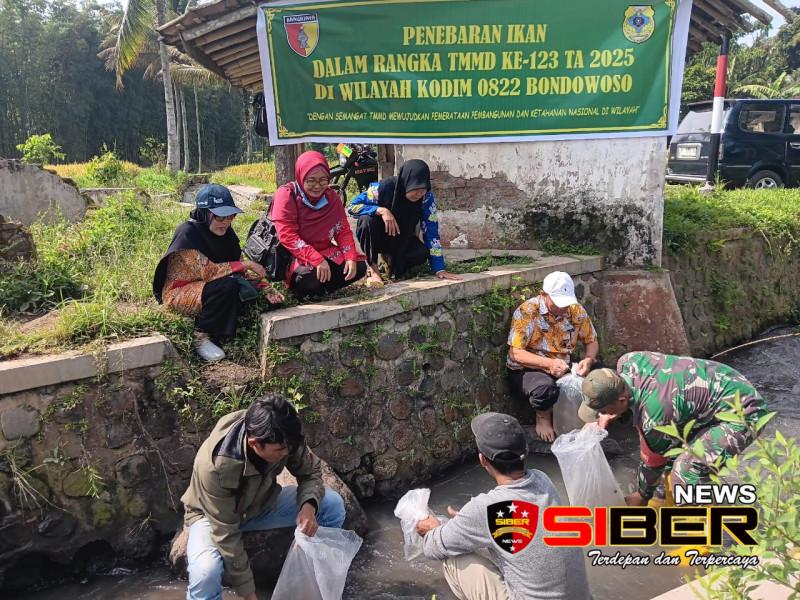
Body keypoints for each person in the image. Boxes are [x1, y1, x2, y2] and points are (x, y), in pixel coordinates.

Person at [181, 394, 347, 600]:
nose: (286, 453)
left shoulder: (283, 432)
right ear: (254, 444)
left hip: (260, 504)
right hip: (211, 516)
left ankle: (315, 585)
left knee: (332, 505)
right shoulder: (215, 466)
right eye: (280, 450)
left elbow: (310, 472)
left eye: (289, 447)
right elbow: (226, 532)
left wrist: (309, 506)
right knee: (205, 574)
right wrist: (249, 594)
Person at [415, 412, 591, 600]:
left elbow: (433, 548)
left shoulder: (484, 508)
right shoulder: (543, 480)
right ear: (526, 451)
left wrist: (434, 528)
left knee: (453, 560)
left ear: (482, 460)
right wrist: (470, 523)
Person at [578, 351, 769, 505]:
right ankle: (666, 501)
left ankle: (700, 532)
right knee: (670, 459)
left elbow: (653, 461)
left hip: (743, 411)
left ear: (621, 400)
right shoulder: (628, 361)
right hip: (716, 389)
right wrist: (608, 415)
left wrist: (642, 495)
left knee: (687, 470)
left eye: (603, 411)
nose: (601, 415)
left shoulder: (654, 416)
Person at [153, 184, 283, 362]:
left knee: (237, 284)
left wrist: (265, 287)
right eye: (220, 216)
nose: (226, 222)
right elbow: (209, 272)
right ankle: (201, 336)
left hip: (209, 288)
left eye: (231, 216)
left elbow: (238, 267)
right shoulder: (187, 233)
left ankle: (221, 334)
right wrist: (246, 264)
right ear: (204, 213)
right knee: (228, 285)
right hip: (180, 292)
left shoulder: (226, 232)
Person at [506, 271, 599, 442]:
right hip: (527, 369)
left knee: (601, 377)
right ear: (544, 295)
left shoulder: (575, 311)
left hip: (564, 365)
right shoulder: (527, 312)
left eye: (565, 303)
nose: (562, 308)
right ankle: (543, 419)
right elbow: (516, 353)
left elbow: (591, 340)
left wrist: (588, 359)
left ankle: (593, 420)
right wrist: (548, 364)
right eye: (557, 303)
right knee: (545, 389)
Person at [347, 159, 462, 285]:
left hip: (402, 238)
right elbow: (352, 207)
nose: (419, 194)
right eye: (415, 188)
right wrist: (381, 211)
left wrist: (439, 269)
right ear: (407, 182)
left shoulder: (426, 198)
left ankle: (393, 266)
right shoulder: (381, 189)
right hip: (378, 237)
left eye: (423, 188)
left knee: (420, 253)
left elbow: (431, 231)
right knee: (366, 221)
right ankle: (374, 270)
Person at [271, 150, 368, 298]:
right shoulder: (287, 195)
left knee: (358, 267)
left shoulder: (331, 197)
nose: (317, 186)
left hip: (325, 251)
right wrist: (316, 259)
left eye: (323, 180)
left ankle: (323, 286)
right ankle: (315, 285)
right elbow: (287, 236)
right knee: (307, 279)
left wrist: (350, 257)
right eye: (311, 180)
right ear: (301, 176)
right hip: (295, 254)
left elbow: (342, 230)